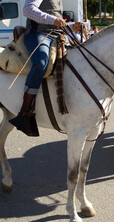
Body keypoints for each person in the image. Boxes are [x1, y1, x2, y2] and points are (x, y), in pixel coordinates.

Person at [9, 0, 79, 136]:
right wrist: (54, 20)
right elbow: (28, 9)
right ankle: (24, 112)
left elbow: (57, 22)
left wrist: (71, 26)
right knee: (41, 62)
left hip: (57, 35)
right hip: (37, 35)